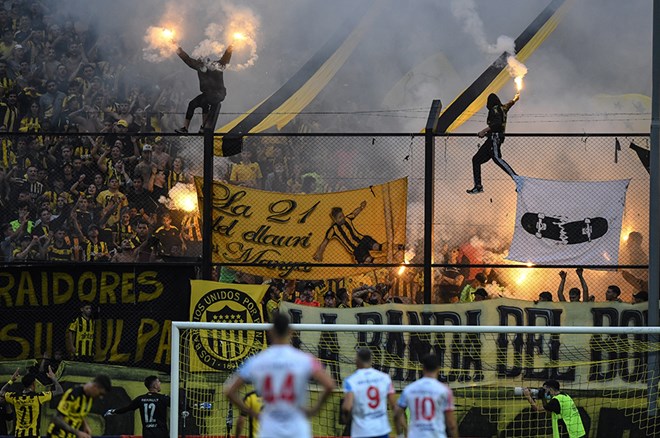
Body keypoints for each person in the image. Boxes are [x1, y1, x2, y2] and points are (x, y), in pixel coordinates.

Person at [223, 313, 336, 438]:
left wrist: (251, 412)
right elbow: (330, 385)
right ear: (291, 331)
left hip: (270, 427)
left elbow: (229, 391)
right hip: (297, 427)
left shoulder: (257, 361)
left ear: (270, 332)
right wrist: (314, 409)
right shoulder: (305, 359)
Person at [314, 202, 403, 264]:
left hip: (363, 240)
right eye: (340, 217)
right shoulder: (333, 230)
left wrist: (361, 207)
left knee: (378, 247)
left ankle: (399, 246)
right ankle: (391, 260)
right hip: (356, 249)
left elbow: (354, 213)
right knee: (370, 260)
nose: (343, 218)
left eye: (343, 215)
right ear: (335, 219)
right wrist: (319, 253)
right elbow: (324, 242)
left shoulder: (348, 219)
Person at [394, 354, 459, 438]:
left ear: (423, 369)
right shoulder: (445, 391)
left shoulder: (409, 389)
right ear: (438, 369)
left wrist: (400, 434)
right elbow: (451, 424)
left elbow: (397, 415)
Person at [467, 92, 519, 194]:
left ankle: (518, 179)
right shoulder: (503, 108)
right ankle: (478, 186)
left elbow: (497, 124)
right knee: (476, 159)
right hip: (491, 139)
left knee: (497, 159)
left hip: (495, 138)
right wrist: (515, 99)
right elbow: (509, 105)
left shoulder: (494, 109)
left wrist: (484, 131)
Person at [175, 45, 233, 133]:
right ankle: (189, 128)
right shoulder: (199, 66)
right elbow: (187, 59)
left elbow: (226, 58)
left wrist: (230, 48)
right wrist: (176, 47)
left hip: (217, 94)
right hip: (207, 94)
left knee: (203, 102)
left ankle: (202, 127)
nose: (199, 60)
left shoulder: (217, 65)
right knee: (195, 104)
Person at [341, 348, 397, 438]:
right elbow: (394, 405)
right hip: (381, 430)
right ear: (371, 360)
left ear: (357, 360)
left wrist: (345, 416)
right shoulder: (385, 378)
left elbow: (347, 407)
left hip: (361, 431)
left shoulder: (351, 381)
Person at [1, 367, 63, 438]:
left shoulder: (15, 397)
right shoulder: (38, 397)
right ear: (33, 384)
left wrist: (12, 380)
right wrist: (53, 378)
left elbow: (2, 392)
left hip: (19, 435)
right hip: (33, 435)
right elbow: (59, 391)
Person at [46, 374, 111, 438]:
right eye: (100, 393)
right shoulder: (73, 395)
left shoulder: (90, 398)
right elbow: (57, 419)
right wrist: (77, 432)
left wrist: (85, 425)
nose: (100, 397)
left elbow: (79, 412)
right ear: (95, 386)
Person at [104, 375, 169, 438]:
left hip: (148, 434)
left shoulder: (140, 399)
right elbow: (178, 407)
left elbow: (127, 408)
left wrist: (113, 411)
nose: (160, 383)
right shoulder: (163, 398)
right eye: (158, 382)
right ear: (155, 386)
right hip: (161, 434)